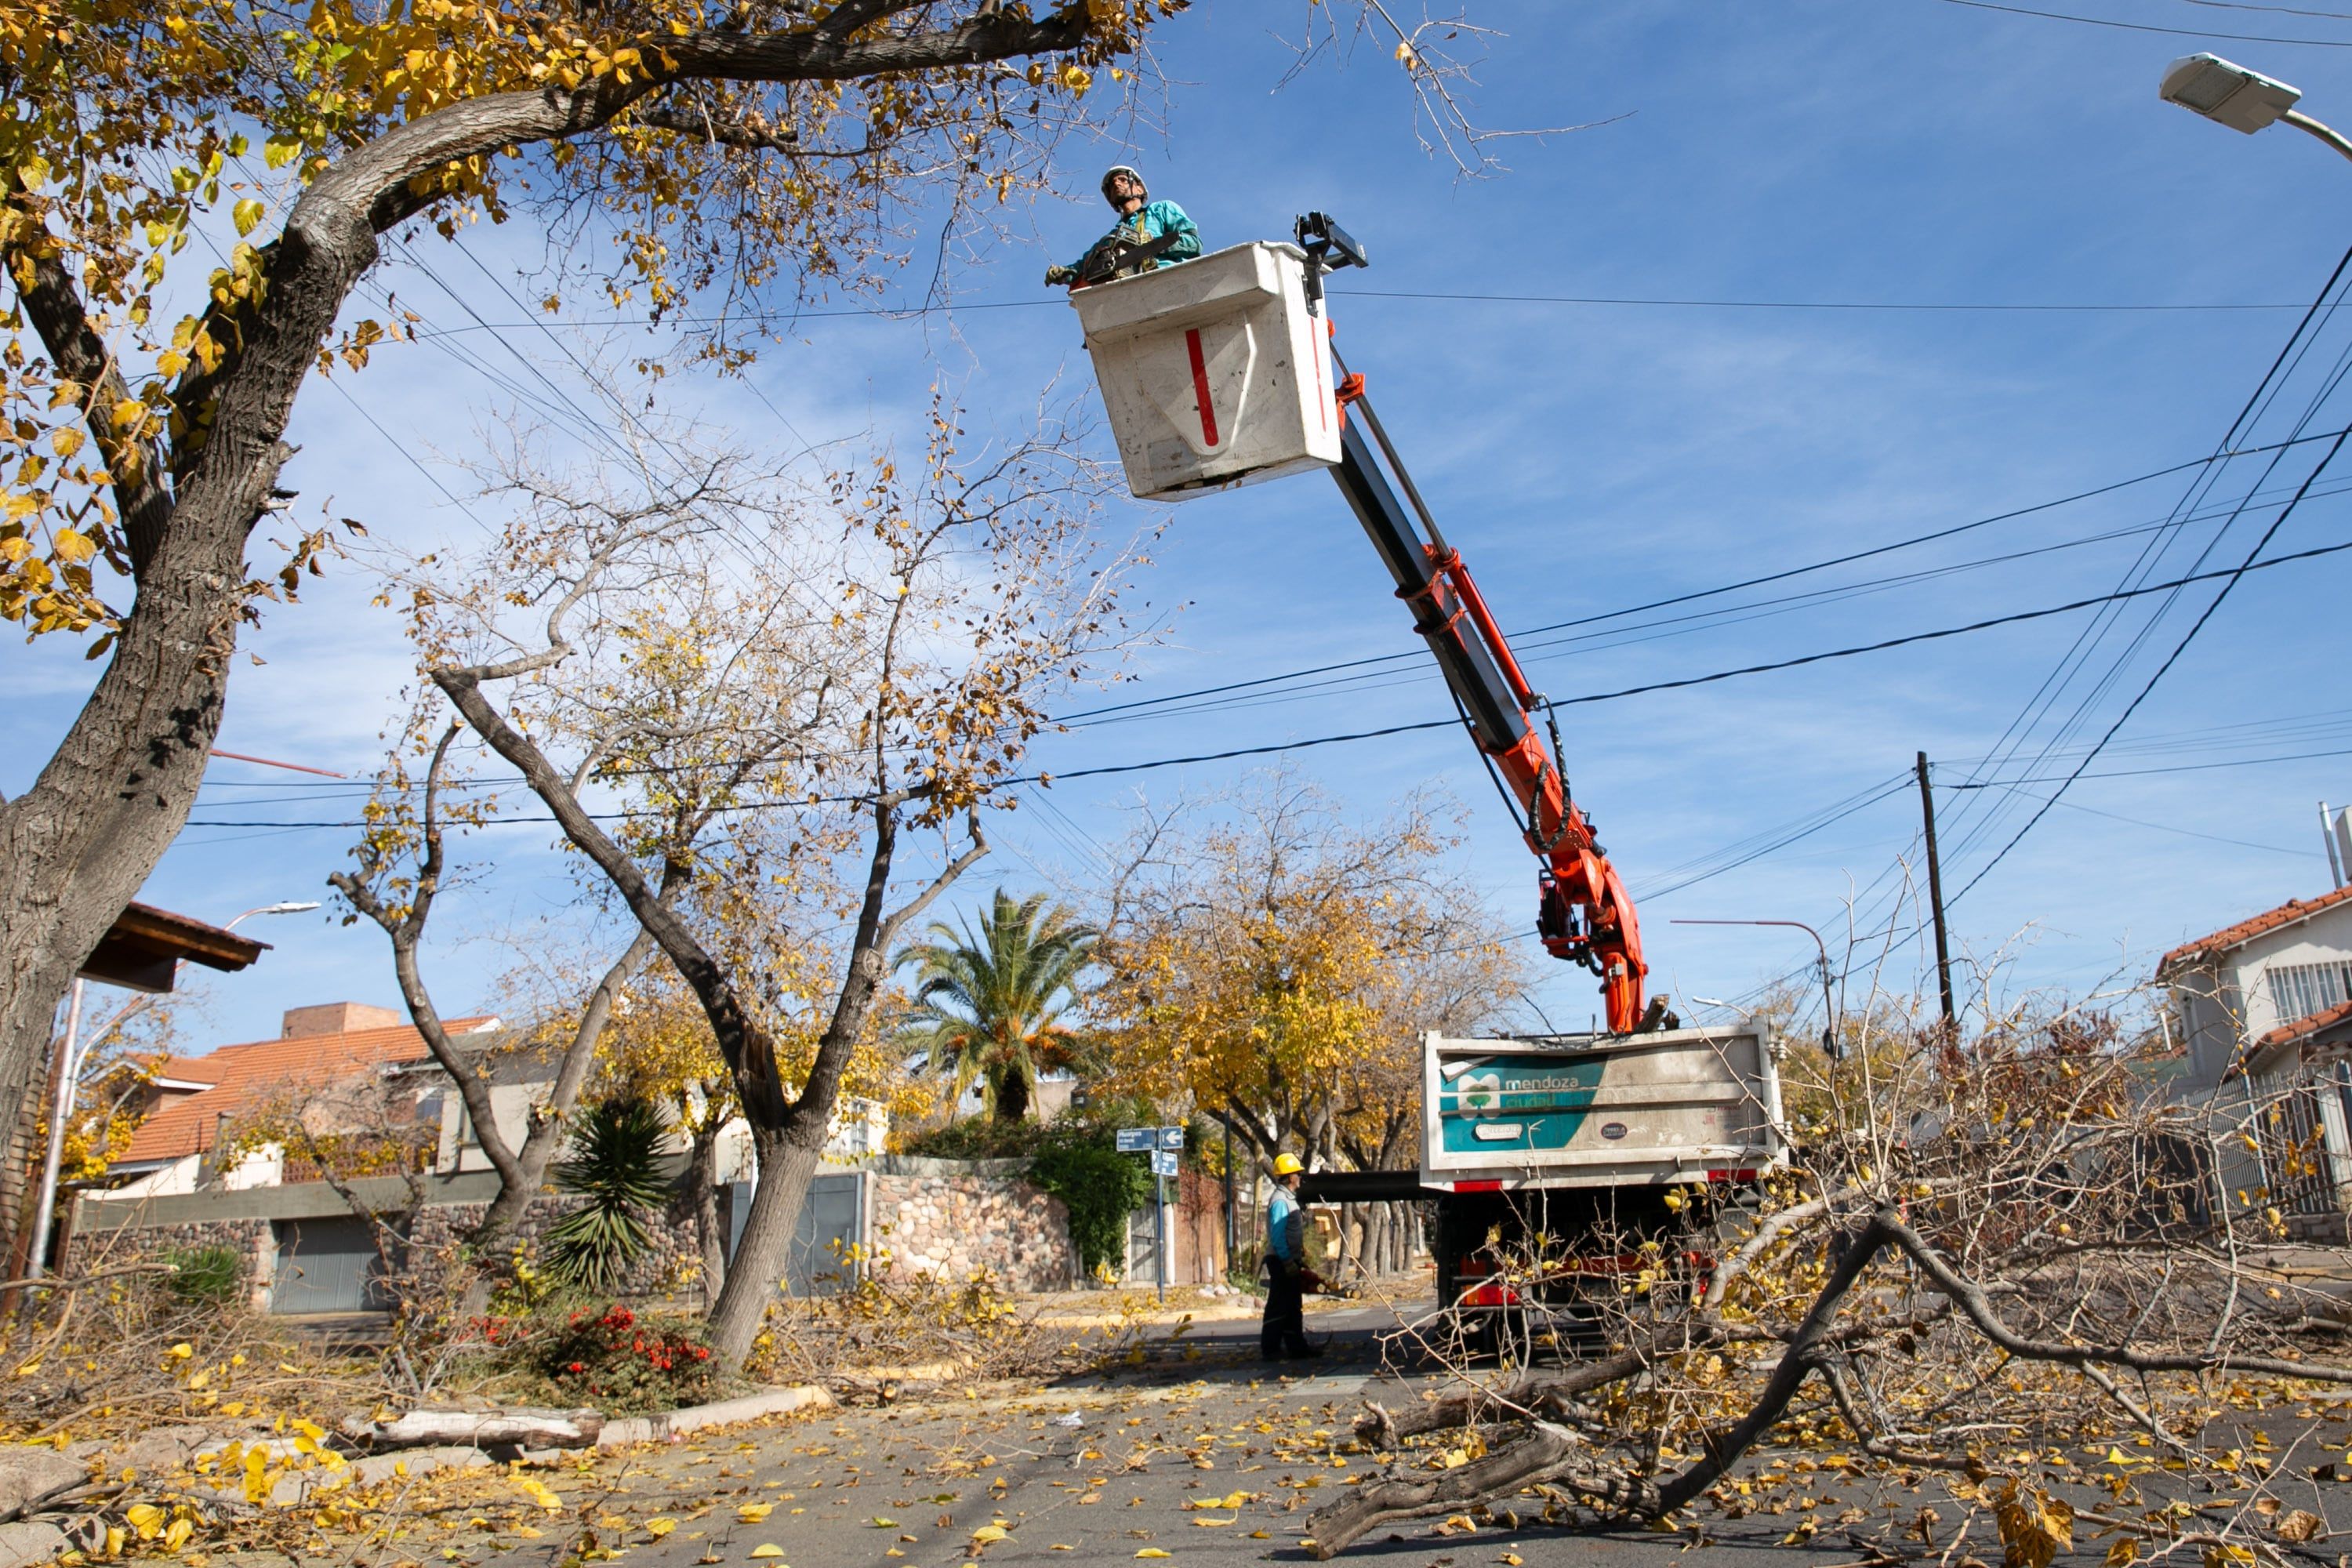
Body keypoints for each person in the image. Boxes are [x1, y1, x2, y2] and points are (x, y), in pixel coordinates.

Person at [1045, 165, 1201, 288]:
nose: (1116, 184)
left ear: (1139, 188)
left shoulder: (1162, 209)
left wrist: (1154, 243)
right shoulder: (1110, 241)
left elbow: (1193, 243)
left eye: (1122, 180)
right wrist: (1063, 273)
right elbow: (1081, 268)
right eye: (1112, 185)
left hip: (1166, 280)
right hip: (1126, 294)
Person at [1260, 1152, 1320, 1361]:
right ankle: (1271, 1349)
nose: (1300, 1177)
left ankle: (1297, 1347)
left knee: (1293, 1306)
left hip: (1289, 1259)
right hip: (1280, 1261)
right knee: (1278, 1305)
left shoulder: (1289, 1199)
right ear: (1289, 1177)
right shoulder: (1279, 1201)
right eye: (1297, 1173)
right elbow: (1277, 1235)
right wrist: (1287, 1261)